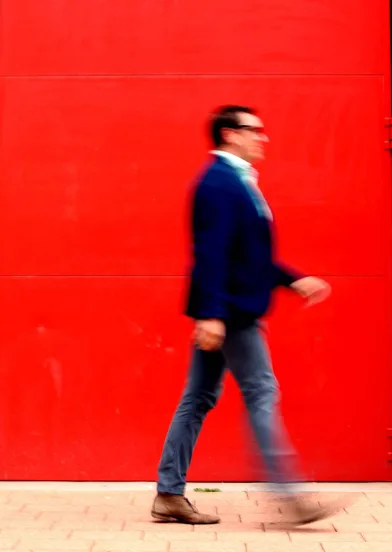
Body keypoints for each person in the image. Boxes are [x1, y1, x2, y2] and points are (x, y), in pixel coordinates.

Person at [151, 105, 337, 525]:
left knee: (197, 398)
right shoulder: (218, 183)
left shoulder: (238, 182)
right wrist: (212, 315)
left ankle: (168, 493)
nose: (263, 137)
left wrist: (293, 280)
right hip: (231, 313)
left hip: (228, 307)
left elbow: (248, 257)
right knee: (262, 391)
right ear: (231, 134)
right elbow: (211, 253)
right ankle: (289, 494)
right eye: (255, 130)